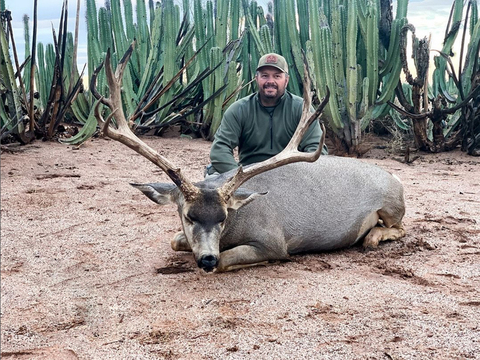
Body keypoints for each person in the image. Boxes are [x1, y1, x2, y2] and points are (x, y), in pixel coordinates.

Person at [206, 53, 327, 177]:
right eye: (265, 76)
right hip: (248, 175)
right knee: (211, 177)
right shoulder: (239, 109)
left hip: (291, 176)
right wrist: (238, 176)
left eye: (277, 76)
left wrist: (298, 176)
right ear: (256, 78)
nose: (270, 81)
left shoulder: (302, 109)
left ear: (286, 80)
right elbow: (219, 149)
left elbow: (317, 150)